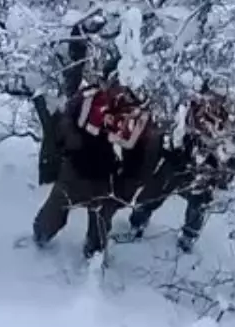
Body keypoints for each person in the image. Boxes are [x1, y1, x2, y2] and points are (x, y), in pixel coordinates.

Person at [28, 80, 160, 258]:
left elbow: (143, 160)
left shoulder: (141, 120)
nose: (119, 90)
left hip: (107, 181)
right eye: (114, 82)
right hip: (75, 169)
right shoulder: (89, 97)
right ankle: (37, 243)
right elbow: (66, 118)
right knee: (52, 216)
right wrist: (71, 142)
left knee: (99, 229)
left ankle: (94, 263)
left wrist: (126, 189)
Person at [122, 87, 235, 253]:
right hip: (177, 162)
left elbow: (229, 154)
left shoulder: (226, 123)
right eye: (210, 95)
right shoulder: (188, 109)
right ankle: (136, 225)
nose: (212, 100)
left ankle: (188, 239)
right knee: (151, 194)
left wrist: (222, 173)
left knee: (199, 203)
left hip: (202, 172)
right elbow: (170, 132)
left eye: (217, 97)